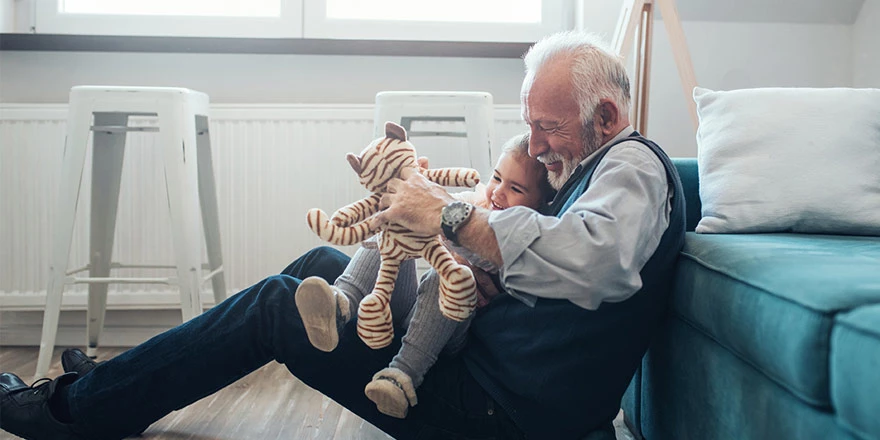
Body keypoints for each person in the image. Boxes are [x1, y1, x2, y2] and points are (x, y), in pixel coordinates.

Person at [0, 31, 685, 440]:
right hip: (477, 362)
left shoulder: (633, 166)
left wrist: (451, 219)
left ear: (605, 116)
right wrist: (461, 245)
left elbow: (597, 261)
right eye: (529, 125)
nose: (533, 147)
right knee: (320, 266)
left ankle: (72, 412)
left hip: (497, 410)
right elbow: (538, 259)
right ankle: (120, 381)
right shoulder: (588, 167)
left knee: (277, 306)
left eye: (547, 127)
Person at [295, 131, 555, 419]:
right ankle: (340, 303)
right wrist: (416, 196)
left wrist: (454, 234)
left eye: (516, 189)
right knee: (395, 225)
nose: (497, 193)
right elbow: (434, 207)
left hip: (449, 332)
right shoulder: (478, 201)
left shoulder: (522, 240)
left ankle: (402, 375)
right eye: (496, 177)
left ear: (540, 204)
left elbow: (486, 257)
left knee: (446, 277)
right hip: (414, 313)